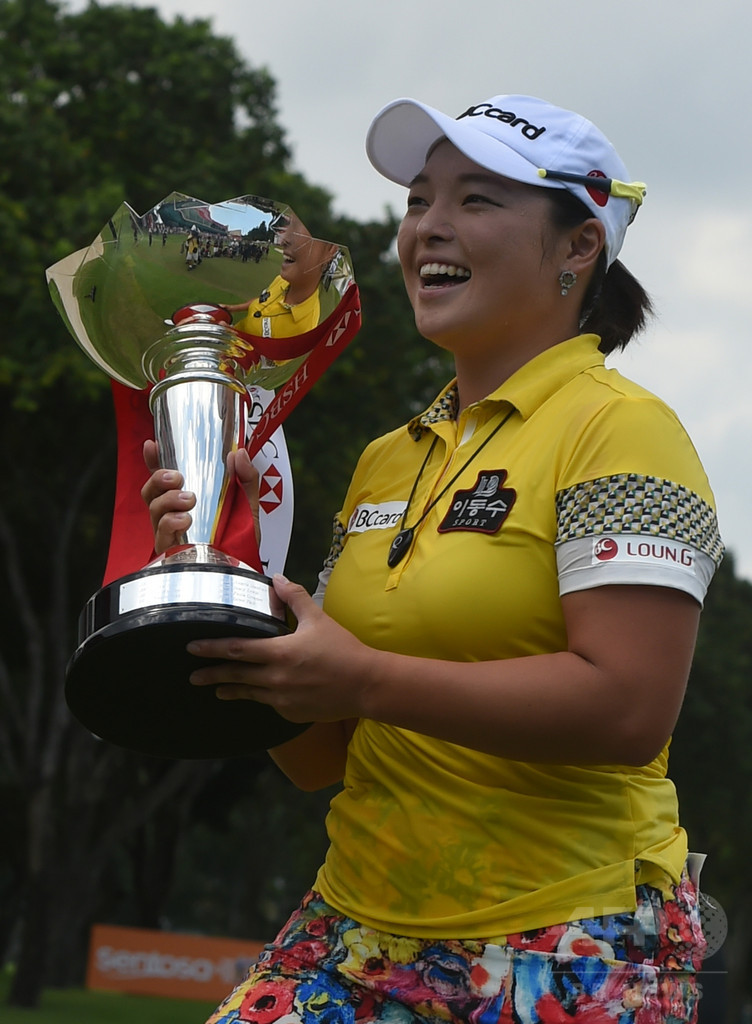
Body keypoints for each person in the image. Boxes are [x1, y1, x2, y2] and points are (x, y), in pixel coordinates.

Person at [142, 94, 723, 1022]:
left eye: (477, 201)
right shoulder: (389, 456)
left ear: (580, 246)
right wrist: (232, 570)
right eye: (419, 201)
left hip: (569, 942)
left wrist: (365, 677)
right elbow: (318, 755)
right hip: (355, 933)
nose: (428, 229)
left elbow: (627, 707)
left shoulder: (625, 430)